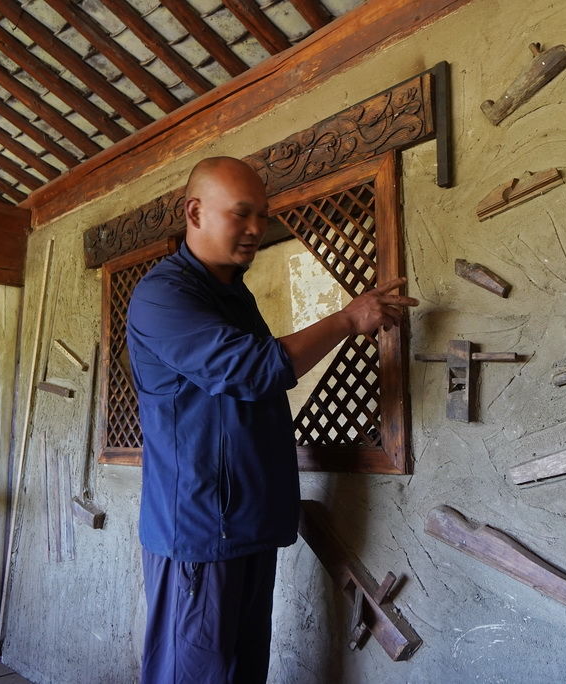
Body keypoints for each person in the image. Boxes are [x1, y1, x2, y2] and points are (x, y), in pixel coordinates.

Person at [126, 156, 418, 682]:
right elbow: (252, 369)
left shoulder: (233, 296)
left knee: (241, 673)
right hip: (199, 531)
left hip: (247, 525)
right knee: (193, 674)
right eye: (241, 214)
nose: (257, 229)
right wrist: (349, 318)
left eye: (262, 215)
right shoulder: (162, 295)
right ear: (194, 212)